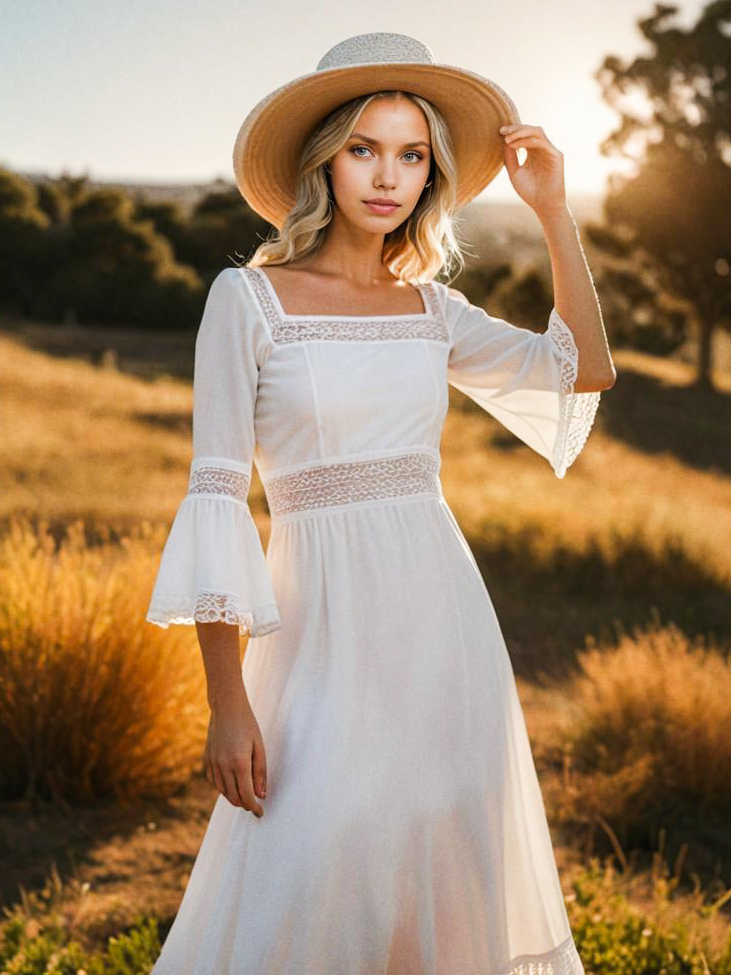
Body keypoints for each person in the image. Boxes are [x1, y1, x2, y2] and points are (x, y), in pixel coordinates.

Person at [145, 31, 615, 975]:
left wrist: (556, 213)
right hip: (316, 627)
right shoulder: (249, 300)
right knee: (314, 851)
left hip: (442, 622)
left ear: (431, 174)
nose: (386, 176)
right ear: (324, 159)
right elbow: (216, 497)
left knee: (441, 852)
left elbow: (582, 370)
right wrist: (227, 701)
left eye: (411, 154)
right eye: (364, 148)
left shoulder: (431, 310)